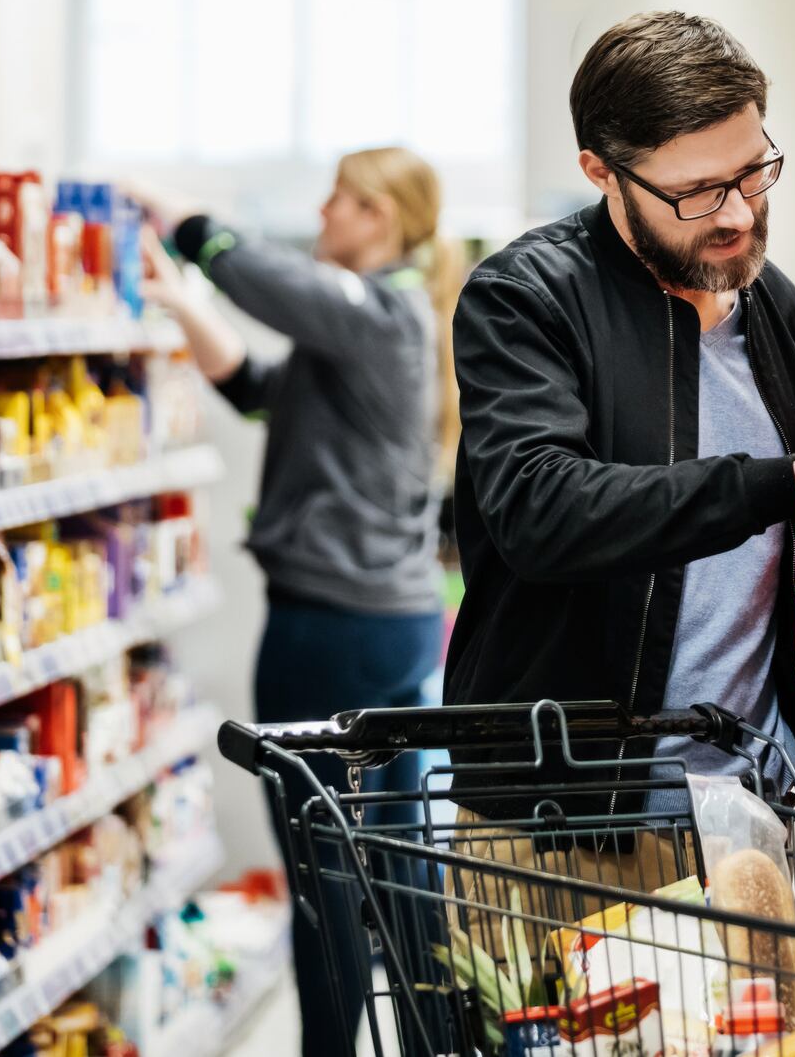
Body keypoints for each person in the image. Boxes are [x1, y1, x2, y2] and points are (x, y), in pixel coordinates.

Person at [447, 10, 795, 856]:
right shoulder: (527, 298)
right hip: (565, 826)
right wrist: (792, 481)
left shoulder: (774, 308)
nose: (739, 214)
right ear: (602, 171)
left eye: (754, 173)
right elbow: (540, 510)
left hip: (748, 810)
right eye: (698, 192)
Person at [133, 147, 460, 1057]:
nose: (324, 213)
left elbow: (272, 288)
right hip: (389, 626)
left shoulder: (379, 308)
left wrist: (188, 219)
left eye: (345, 200)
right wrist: (187, 305)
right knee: (397, 869)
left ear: (385, 219)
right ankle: (436, 1042)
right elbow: (260, 390)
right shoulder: (382, 326)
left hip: (332, 628)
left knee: (323, 877)